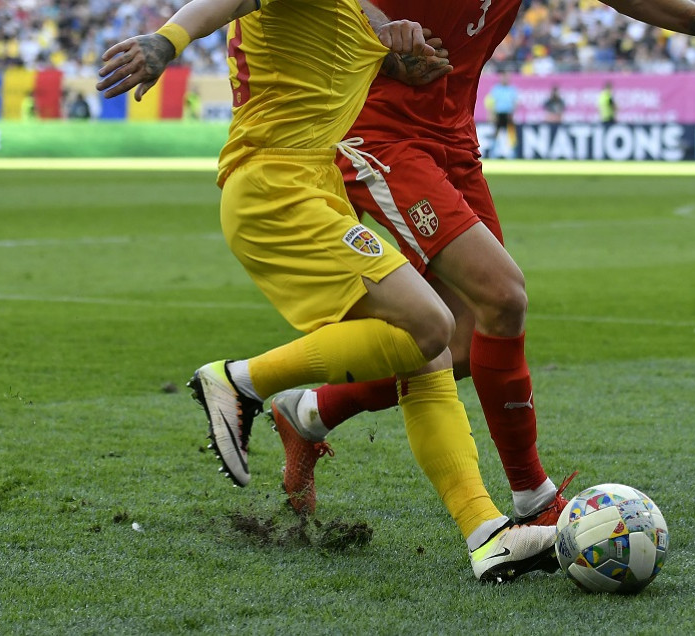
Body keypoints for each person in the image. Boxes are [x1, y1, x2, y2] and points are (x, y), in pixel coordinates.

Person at [269, 0, 695, 530]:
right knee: (503, 295)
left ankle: (309, 413)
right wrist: (379, 26)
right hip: (380, 134)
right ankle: (534, 498)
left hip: (453, 140)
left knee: (465, 342)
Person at [96, 0, 555, 584]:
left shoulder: (348, 7)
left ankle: (486, 533)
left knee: (428, 347)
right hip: (276, 192)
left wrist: (396, 51)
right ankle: (242, 382)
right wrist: (168, 40)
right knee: (434, 326)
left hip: (312, 189)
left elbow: (353, 36)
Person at [486, 71, 518, 158]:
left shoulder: (512, 89)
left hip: (508, 114)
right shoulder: (496, 89)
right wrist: (492, 114)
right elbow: (491, 103)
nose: (505, 79)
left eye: (506, 77)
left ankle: (513, 154)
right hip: (499, 114)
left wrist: (513, 112)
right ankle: (492, 154)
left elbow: (515, 102)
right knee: (495, 134)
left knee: (511, 134)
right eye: (503, 77)